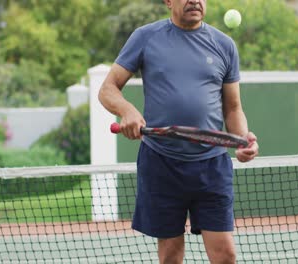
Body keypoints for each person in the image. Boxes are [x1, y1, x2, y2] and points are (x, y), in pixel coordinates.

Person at [98, 0, 259, 263]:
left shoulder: (224, 45)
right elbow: (107, 89)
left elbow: (232, 108)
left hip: (212, 167)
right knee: (170, 254)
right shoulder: (145, 37)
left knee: (225, 254)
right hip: (161, 164)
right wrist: (127, 110)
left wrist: (242, 139)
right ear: (168, 2)